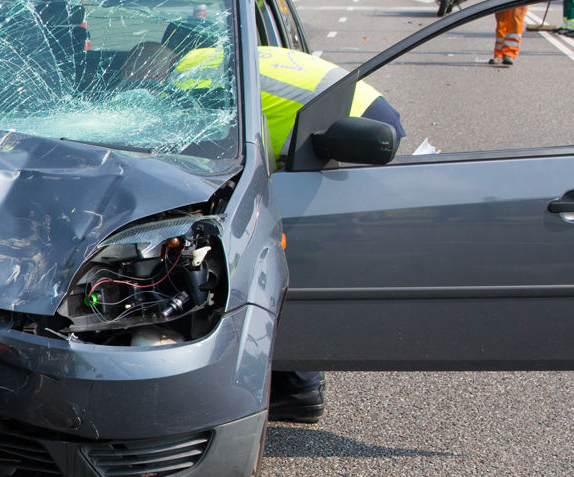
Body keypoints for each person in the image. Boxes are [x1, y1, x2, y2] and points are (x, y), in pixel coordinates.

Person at [172, 44, 406, 423]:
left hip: (347, 126)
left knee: (280, 258)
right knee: (294, 254)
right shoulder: (214, 50)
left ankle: (298, 386)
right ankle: (299, 382)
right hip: (363, 107)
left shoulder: (188, 82)